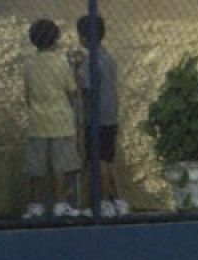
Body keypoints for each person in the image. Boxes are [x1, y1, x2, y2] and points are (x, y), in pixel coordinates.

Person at [22, 18, 81, 219]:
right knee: (60, 167)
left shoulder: (29, 65)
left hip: (37, 121)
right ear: (55, 39)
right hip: (61, 120)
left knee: (37, 167)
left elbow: (28, 94)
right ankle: (60, 203)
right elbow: (72, 91)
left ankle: (36, 204)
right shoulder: (61, 63)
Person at [73, 14, 128, 217]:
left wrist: (76, 69)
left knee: (99, 160)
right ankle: (118, 200)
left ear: (83, 37)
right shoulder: (108, 57)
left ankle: (104, 202)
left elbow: (86, 86)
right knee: (108, 158)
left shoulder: (89, 60)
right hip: (110, 115)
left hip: (96, 117)